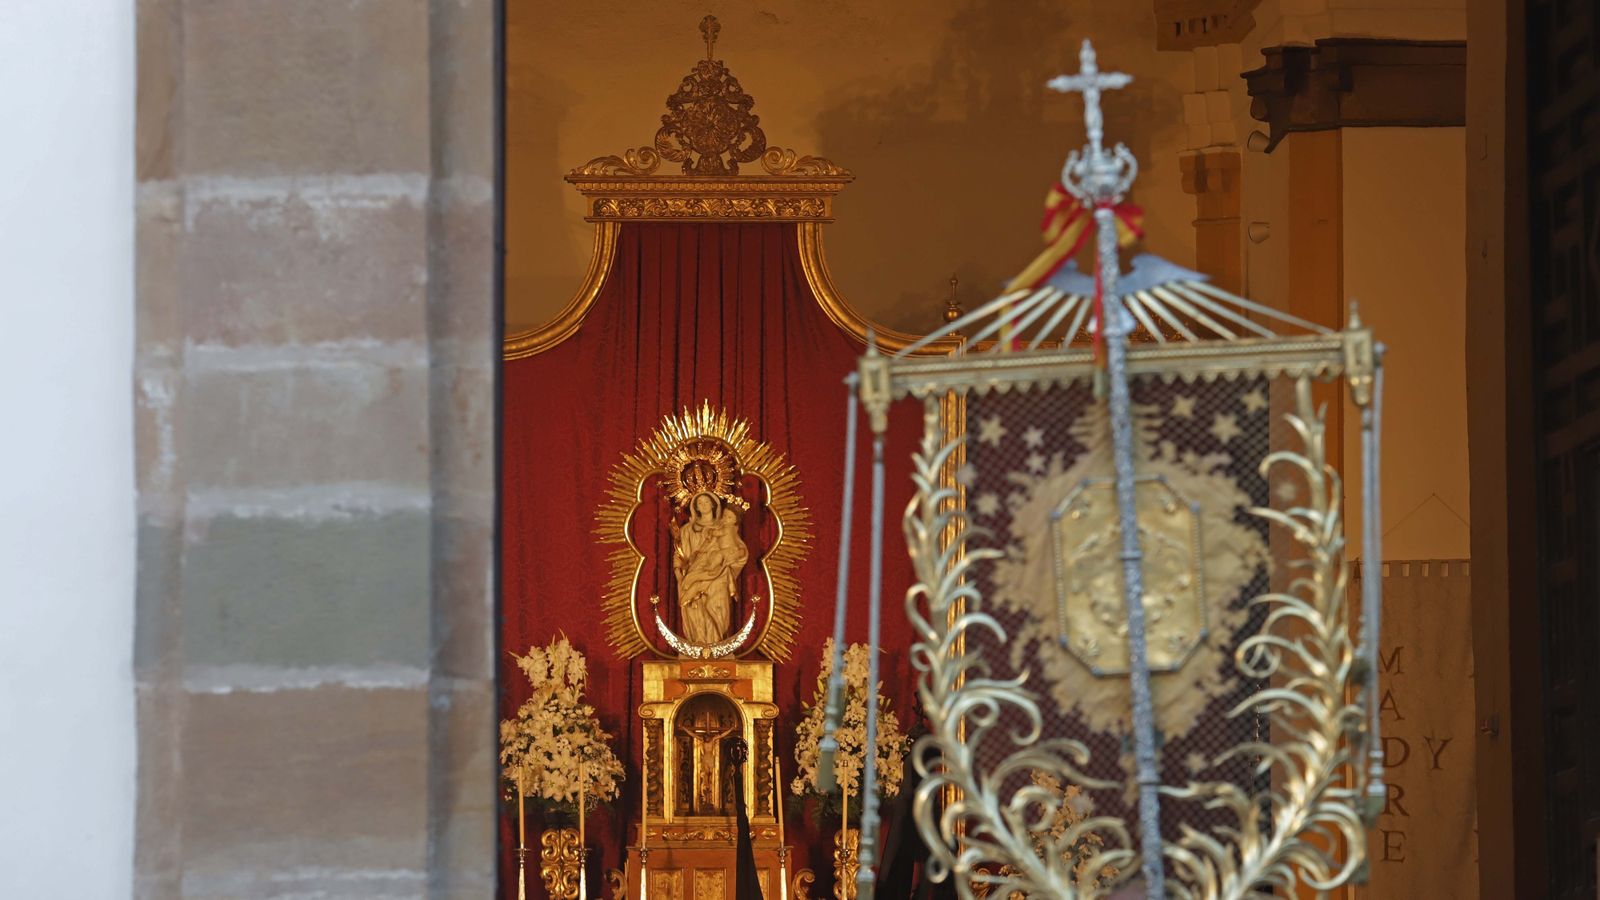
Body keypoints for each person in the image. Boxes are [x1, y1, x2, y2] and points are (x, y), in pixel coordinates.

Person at [671, 492, 749, 644]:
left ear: (714, 504)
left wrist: (729, 555)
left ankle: (716, 643)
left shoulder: (725, 526)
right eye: (699, 503)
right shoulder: (688, 529)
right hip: (694, 573)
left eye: (707, 502)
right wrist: (678, 573)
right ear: (695, 507)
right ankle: (699, 644)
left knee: (717, 608)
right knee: (695, 609)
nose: (704, 506)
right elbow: (680, 554)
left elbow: (739, 549)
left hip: (718, 577)